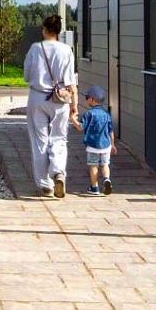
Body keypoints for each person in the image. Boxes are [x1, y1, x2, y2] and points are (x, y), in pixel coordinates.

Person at [22, 14, 77, 198]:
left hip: (38, 97)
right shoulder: (66, 50)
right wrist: (74, 105)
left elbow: (26, 76)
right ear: (59, 32)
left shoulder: (35, 48)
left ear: (45, 30)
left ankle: (45, 185)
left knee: (40, 141)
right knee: (59, 138)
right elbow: (70, 81)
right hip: (60, 98)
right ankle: (58, 172)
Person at [72, 86, 115, 195]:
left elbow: (80, 127)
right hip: (106, 145)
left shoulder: (89, 114)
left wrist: (72, 119)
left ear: (92, 99)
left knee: (93, 166)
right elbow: (110, 131)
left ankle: (94, 188)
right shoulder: (106, 114)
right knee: (105, 165)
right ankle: (107, 179)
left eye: (87, 97)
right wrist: (113, 144)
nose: (86, 100)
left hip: (92, 145)